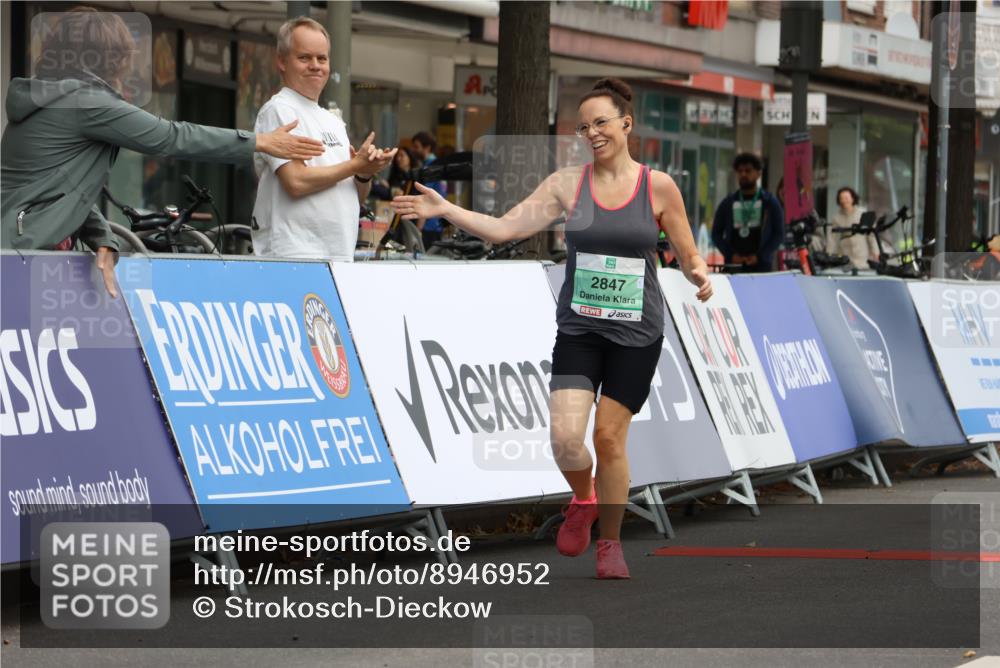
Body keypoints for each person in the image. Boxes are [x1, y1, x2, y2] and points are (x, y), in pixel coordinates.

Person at [392, 78, 712, 579]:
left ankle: (610, 544)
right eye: (584, 127)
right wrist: (447, 208)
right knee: (565, 439)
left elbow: (688, 252)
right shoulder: (568, 184)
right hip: (581, 329)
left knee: (608, 439)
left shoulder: (658, 187)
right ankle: (583, 498)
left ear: (626, 124)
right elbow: (505, 228)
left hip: (636, 334)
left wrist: (697, 272)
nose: (592, 133)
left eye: (601, 122)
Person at [0, 7, 324, 296]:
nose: (127, 68)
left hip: (22, 249)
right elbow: (170, 137)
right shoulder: (85, 102)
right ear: (104, 59)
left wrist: (102, 238)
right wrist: (258, 142)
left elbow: (65, 190)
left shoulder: (55, 97)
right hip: (21, 253)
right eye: (122, 58)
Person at [251, 17, 395, 261]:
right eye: (304, 57)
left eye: (322, 58)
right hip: (292, 254)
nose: (315, 66)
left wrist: (364, 174)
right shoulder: (279, 109)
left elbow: (355, 196)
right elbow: (296, 182)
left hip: (339, 255)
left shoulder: (333, 121)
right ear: (282, 62)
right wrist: (354, 165)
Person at [711, 153, 785, 272]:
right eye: (740, 171)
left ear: (758, 174)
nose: (743, 174)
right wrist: (730, 255)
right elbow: (716, 234)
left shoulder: (770, 202)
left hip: (761, 268)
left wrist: (760, 256)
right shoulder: (728, 203)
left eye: (748, 171)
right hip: (733, 267)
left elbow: (778, 234)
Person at [410, 131, 448, 249]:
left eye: (416, 147)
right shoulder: (434, 164)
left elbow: (426, 197)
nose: (413, 150)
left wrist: (418, 229)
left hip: (429, 226)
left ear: (427, 147)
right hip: (435, 223)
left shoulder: (431, 167)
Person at [827, 186, 878, 270]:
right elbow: (832, 240)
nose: (844, 201)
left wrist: (875, 251)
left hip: (863, 257)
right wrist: (828, 257)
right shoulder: (836, 218)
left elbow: (872, 235)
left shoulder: (863, 213)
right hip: (846, 257)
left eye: (846, 198)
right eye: (841, 198)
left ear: (853, 199)